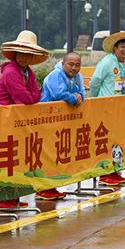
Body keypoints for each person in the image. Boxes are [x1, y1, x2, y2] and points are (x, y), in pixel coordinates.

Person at [0, 30, 49, 208]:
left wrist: (31, 95)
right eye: (21, 53)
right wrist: (32, 95)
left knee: (18, 159)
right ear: (15, 53)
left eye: (28, 54)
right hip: (5, 121)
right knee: (6, 159)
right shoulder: (10, 72)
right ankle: (4, 199)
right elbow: (24, 98)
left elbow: (35, 94)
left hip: (17, 122)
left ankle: (14, 196)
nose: (24, 57)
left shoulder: (27, 72)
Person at [90, 31, 125, 186]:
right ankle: (105, 174)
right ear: (115, 48)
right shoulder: (107, 62)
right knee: (105, 141)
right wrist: (94, 100)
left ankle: (114, 170)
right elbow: (95, 82)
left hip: (118, 108)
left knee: (116, 140)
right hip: (105, 107)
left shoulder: (123, 64)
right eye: (122, 47)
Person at [37, 52, 86, 200]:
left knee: (56, 154)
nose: (74, 68)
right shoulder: (56, 75)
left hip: (62, 123)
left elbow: (82, 92)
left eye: (77, 65)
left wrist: (80, 96)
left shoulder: (78, 76)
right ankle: (43, 188)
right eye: (71, 64)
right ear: (63, 63)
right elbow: (59, 94)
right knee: (46, 154)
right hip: (46, 120)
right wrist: (74, 98)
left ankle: (52, 186)